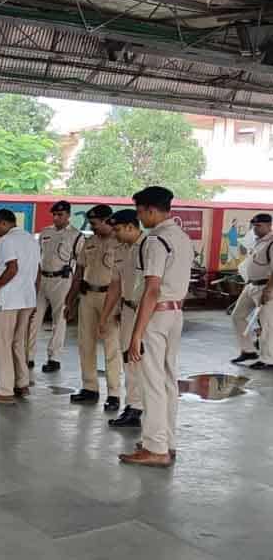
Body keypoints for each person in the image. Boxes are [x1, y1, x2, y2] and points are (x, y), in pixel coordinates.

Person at [120, 186, 192, 467]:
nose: (140, 218)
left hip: (157, 314)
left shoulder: (155, 241)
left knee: (152, 382)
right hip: (176, 313)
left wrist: (137, 333)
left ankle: (155, 447)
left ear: (150, 210)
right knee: (167, 380)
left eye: (139, 212)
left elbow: (151, 289)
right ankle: (166, 441)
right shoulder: (182, 237)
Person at [66, 204, 122, 412]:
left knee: (111, 347)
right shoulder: (89, 242)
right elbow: (79, 272)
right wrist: (70, 301)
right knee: (85, 343)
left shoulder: (120, 244)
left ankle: (114, 393)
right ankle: (90, 387)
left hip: (111, 297)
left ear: (108, 220)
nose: (93, 227)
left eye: (96, 223)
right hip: (88, 296)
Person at [0, 209, 39, 404]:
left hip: (8, 299)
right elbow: (36, 270)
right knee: (18, 342)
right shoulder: (31, 239)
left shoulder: (7, 240)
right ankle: (22, 383)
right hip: (27, 298)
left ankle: (5, 390)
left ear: (3, 222)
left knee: (3, 343)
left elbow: (12, 268)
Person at [98, 210, 146, 428]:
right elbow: (116, 284)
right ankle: (133, 406)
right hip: (127, 309)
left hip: (145, 312)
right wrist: (105, 315)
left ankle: (139, 407)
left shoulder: (148, 246)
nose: (114, 234)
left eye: (117, 230)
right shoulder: (120, 248)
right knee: (128, 360)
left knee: (142, 362)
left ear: (130, 227)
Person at [27, 201, 84, 374]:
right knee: (33, 317)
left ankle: (54, 358)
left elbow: (81, 264)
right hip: (43, 278)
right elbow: (38, 258)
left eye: (60, 214)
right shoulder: (46, 232)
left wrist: (74, 292)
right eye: (54, 214)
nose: (57, 217)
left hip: (62, 279)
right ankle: (28, 356)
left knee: (59, 320)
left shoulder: (76, 236)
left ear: (68, 215)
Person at [230, 213, 273, 369]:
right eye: (254, 226)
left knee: (267, 323)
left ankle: (268, 359)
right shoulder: (258, 242)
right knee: (237, 316)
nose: (256, 229)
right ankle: (248, 350)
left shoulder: (271, 243)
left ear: (269, 225)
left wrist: (268, 290)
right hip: (251, 285)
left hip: (266, 287)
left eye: (259, 226)